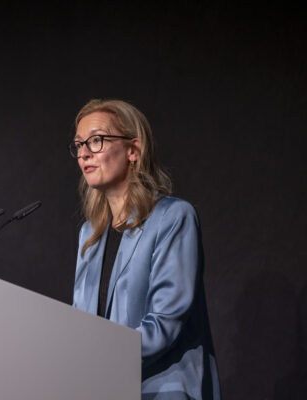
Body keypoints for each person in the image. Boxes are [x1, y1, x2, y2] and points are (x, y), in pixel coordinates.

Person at [70, 99, 221, 399]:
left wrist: (94, 358)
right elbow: (80, 325)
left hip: (163, 391)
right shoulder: (89, 234)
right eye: (78, 144)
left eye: (96, 140)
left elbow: (165, 323)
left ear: (133, 150)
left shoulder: (173, 218)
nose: (84, 152)